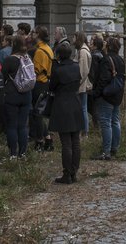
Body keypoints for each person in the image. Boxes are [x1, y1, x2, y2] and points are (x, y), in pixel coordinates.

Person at [47, 41, 83, 184]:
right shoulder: (76, 67)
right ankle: (74, 171)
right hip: (75, 102)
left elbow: (52, 86)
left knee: (66, 143)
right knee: (76, 141)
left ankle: (67, 174)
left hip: (62, 104)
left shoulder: (58, 70)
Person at [92, 36, 125, 160]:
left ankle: (106, 152)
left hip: (106, 96)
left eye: (105, 43)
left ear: (109, 46)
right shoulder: (120, 59)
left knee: (106, 123)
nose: (103, 44)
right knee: (115, 121)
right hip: (117, 94)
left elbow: (103, 79)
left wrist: (96, 93)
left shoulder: (106, 59)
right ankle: (114, 148)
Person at [1, 35, 33, 159]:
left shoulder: (10, 59)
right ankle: (23, 153)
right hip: (26, 94)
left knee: (12, 125)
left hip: (12, 95)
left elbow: (2, 76)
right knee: (23, 125)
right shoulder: (27, 58)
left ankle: (13, 153)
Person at [31, 26, 54, 152]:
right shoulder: (48, 48)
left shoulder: (40, 51)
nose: (32, 35)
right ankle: (48, 139)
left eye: (33, 33)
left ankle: (40, 141)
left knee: (37, 114)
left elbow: (36, 70)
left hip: (40, 84)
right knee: (39, 113)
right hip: (46, 84)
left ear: (38, 34)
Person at [73, 31, 92, 136]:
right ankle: (84, 131)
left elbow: (83, 71)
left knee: (83, 108)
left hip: (81, 86)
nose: (72, 40)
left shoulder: (83, 52)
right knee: (83, 108)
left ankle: (85, 132)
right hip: (82, 85)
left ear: (78, 38)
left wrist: (76, 84)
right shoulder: (81, 50)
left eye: (74, 38)